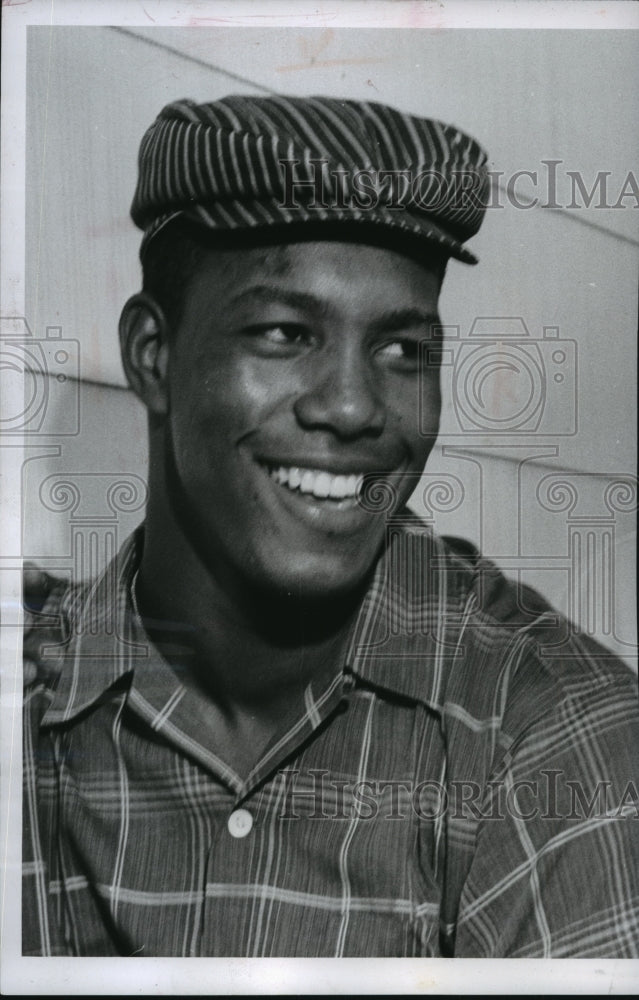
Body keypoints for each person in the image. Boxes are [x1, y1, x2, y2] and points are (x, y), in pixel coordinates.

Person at [22, 95, 638, 958]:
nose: (353, 407)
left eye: (401, 352)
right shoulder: (31, 693)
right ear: (152, 355)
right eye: (284, 332)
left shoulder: (557, 741)